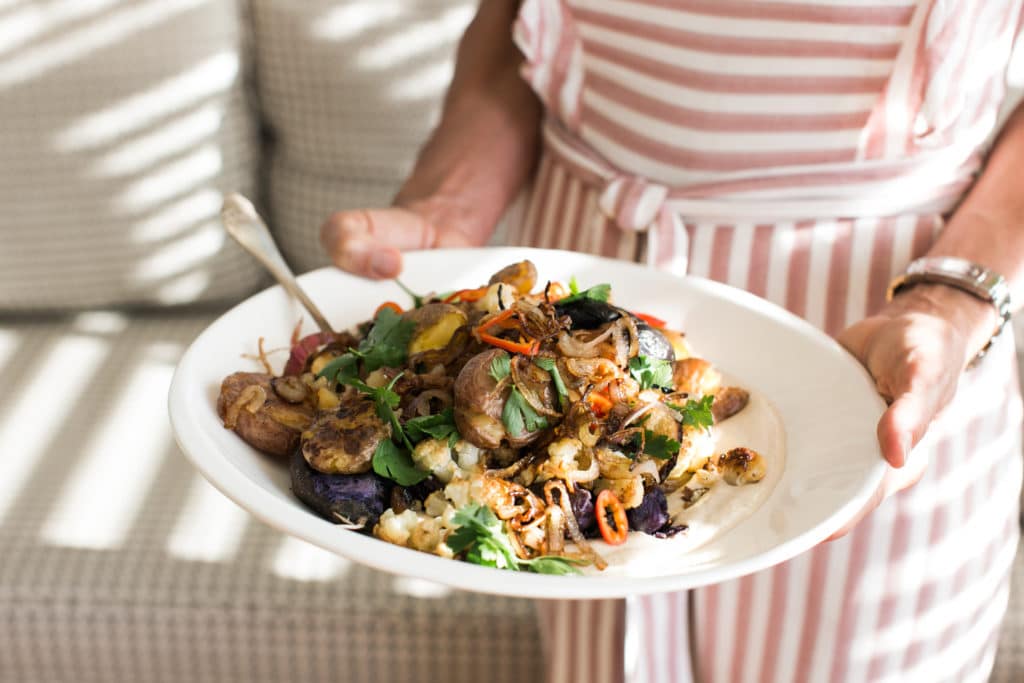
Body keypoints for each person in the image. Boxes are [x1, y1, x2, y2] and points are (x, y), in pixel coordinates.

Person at [320, 1, 1024, 681]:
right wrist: (453, 199)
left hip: (884, 316)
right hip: (582, 292)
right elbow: (519, 20)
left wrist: (950, 297)